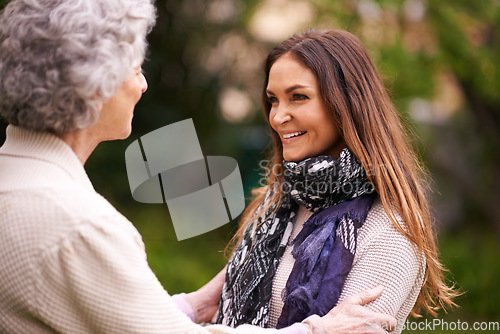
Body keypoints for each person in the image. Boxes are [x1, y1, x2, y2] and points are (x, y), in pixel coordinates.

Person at [0, 1, 397, 333]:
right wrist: (317, 330)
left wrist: (193, 304)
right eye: (136, 67)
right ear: (94, 82)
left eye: (298, 97)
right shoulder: (77, 225)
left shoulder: (18, 184)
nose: (143, 85)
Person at [217, 29, 458, 333]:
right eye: (273, 100)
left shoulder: (389, 235)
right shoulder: (278, 204)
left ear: (346, 104)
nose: (277, 117)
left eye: (298, 97)